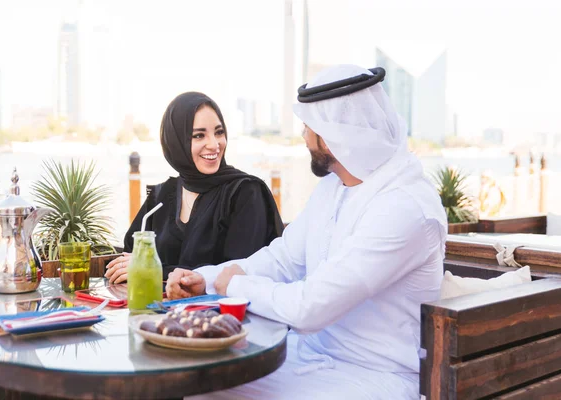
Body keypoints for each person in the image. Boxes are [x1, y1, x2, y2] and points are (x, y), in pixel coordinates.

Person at [168, 65, 448, 399]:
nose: (303, 136)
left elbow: (310, 308)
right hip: (306, 355)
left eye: (308, 126)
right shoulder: (335, 187)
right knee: (197, 386)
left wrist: (236, 285)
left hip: (375, 376)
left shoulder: (404, 207)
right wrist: (208, 280)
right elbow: (284, 258)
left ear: (333, 133)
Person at [105, 92, 284, 283]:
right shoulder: (162, 196)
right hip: (155, 310)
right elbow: (128, 262)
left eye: (219, 132)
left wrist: (154, 271)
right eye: (199, 135)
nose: (214, 145)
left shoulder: (245, 193)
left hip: (221, 312)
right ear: (175, 141)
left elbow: (238, 274)